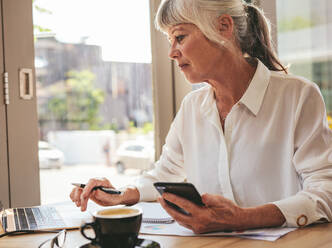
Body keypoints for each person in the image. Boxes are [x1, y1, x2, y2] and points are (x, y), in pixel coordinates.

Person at [70, 0, 332, 233]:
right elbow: (165, 174)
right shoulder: (192, 107)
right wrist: (121, 195)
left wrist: (242, 219)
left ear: (223, 27)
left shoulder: (298, 96)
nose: (172, 52)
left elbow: (325, 192)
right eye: (169, 41)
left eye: (180, 37)